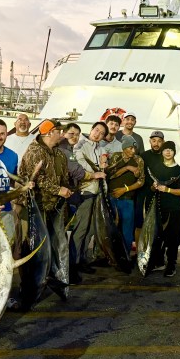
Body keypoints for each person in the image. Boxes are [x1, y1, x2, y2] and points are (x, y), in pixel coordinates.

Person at [16, 119, 72, 309]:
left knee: (55, 246)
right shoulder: (34, 152)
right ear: (49, 133)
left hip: (53, 208)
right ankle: (28, 289)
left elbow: (65, 178)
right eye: (59, 131)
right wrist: (59, 190)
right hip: (35, 207)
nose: (63, 134)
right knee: (32, 250)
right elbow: (38, 180)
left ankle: (58, 281)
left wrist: (67, 190)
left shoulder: (59, 154)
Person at [69, 121, 109, 283]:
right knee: (80, 229)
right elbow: (79, 164)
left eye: (101, 133)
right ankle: (72, 265)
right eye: (96, 130)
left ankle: (82, 259)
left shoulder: (101, 149)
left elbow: (104, 166)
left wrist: (104, 165)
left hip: (97, 192)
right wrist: (96, 172)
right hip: (84, 192)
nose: (97, 133)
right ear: (92, 129)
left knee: (90, 229)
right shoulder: (80, 144)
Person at [150, 141, 180, 277]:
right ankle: (159, 262)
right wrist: (154, 186)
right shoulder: (157, 167)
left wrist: (168, 189)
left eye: (171, 150)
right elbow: (151, 188)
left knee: (172, 238)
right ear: (162, 152)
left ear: (174, 152)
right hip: (158, 208)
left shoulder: (178, 170)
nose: (168, 152)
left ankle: (171, 264)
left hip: (173, 208)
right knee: (158, 236)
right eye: (166, 150)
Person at [106, 135, 145, 258]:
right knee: (111, 227)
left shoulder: (139, 160)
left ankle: (125, 255)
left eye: (135, 148)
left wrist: (124, 189)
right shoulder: (116, 157)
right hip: (112, 198)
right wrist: (127, 168)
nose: (133, 151)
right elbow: (110, 174)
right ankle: (111, 255)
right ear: (124, 148)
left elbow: (141, 181)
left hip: (127, 199)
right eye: (130, 148)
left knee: (127, 229)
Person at [136, 130, 165, 248]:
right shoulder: (143, 156)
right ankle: (139, 252)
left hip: (159, 195)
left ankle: (154, 252)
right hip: (143, 194)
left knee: (157, 225)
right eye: (154, 141)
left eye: (159, 141)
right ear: (150, 141)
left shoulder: (167, 155)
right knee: (139, 224)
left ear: (163, 142)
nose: (156, 143)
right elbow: (139, 175)